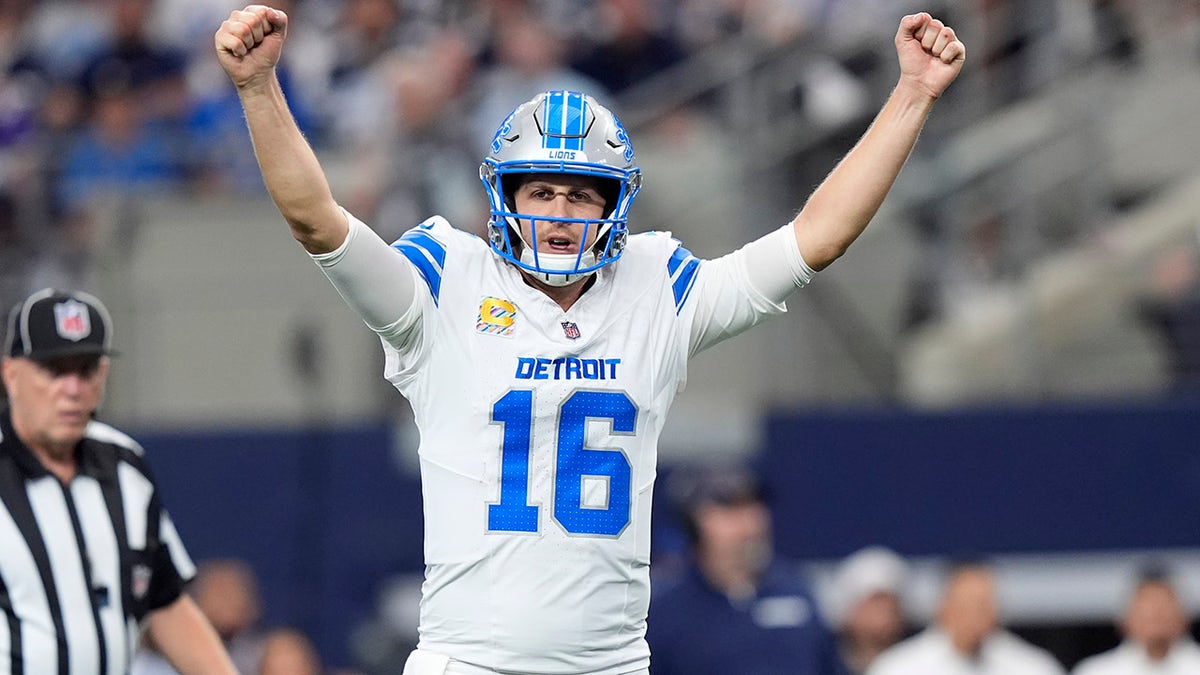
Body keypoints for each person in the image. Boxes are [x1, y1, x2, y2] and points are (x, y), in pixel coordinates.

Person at [214, 5, 965, 673]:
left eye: (581, 192)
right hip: (469, 660)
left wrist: (911, 94)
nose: (561, 210)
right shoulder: (447, 281)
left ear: (614, 205)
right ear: (504, 197)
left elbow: (815, 239)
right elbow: (319, 220)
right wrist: (259, 90)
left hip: (610, 663)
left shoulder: (656, 288)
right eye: (540, 189)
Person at [0, 288, 237, 674]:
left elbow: (166, 603)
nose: (73, 389)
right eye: (54, 370)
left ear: (104, 374)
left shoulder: (124, 466)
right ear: (11, 374)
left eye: (87, 369)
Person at [646, 463, 847, 674]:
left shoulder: (798, 592)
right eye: (731, 509)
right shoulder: (664, 610)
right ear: (692, 522)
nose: (750, 524)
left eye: (754, 507)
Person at [866, 560, 1065, 675]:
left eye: (984, 604)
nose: (976, 615)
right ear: (942, 607)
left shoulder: (1032, 667)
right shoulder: (897, 668)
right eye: (967, 604)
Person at [1071, 566, 1200, 675]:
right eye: (1147, 607)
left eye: (1164, 606)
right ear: (1124, 619)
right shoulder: (1096, 671)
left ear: (1185, 617)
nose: (1156, 614)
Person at [827, 546, 912, 675]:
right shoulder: (822, 662)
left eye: (893, 603)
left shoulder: (920, 665)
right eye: (875, 602)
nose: (886, 613)